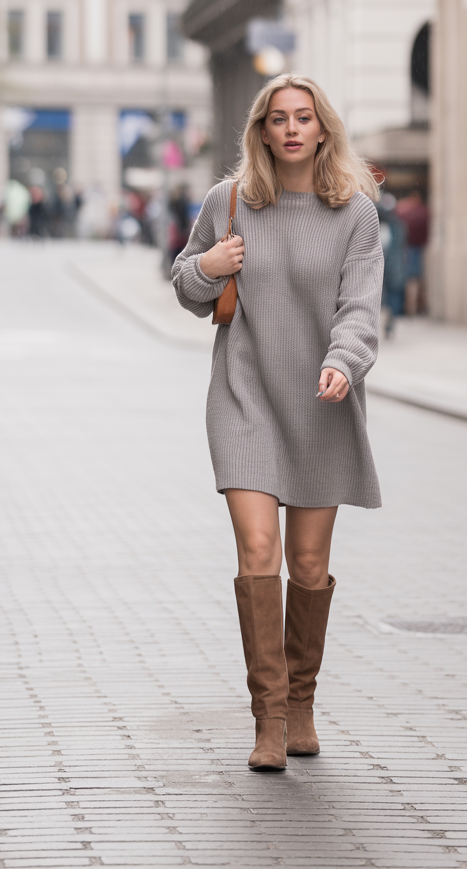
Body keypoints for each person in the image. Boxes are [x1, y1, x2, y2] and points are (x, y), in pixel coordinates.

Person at [171, 73, 383, 773]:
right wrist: (208, 263)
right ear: (261, 131)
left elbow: (360, 309)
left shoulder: (354, 214)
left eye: (305, 117)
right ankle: (267, 718)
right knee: (257, 553)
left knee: (310, 565)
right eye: (279, 118)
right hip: (246, 398)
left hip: (321, 400)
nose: (292, 129)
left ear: (324, 129)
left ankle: (301, 702)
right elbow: (186, 285)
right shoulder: (228, 202)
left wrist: (344, 362)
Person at [378, 193, 408, 338]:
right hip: (385, 268)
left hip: (392, 268)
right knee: (383, 298)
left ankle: (389, 321)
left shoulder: (396, 226)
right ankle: (387, 320)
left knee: (391, 298)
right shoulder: (379, 225)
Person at [396, 188, 429, 314]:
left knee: (410, 278)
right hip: (415, 247)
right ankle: (414, 307)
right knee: (414, 278)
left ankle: (411, 306)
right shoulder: (420, 211)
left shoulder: (403, 210)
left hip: (406, 247)